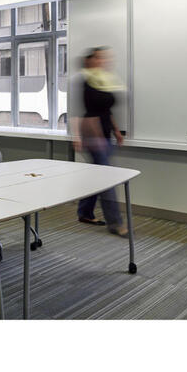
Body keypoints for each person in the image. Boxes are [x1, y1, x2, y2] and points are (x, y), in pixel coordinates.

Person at [72, 47, 126, 236]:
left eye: (104, 58)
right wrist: (93, 138)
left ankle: (85, 212)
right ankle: (115, 223)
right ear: (89, 61)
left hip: (105, 134)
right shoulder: (86, 81)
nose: (103, 60)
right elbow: (88, 112)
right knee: (107, 179)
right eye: (99, 58)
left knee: (96, 176)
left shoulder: (103, 80)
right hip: (93, 135)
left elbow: (106, 109)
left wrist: (117, 131)